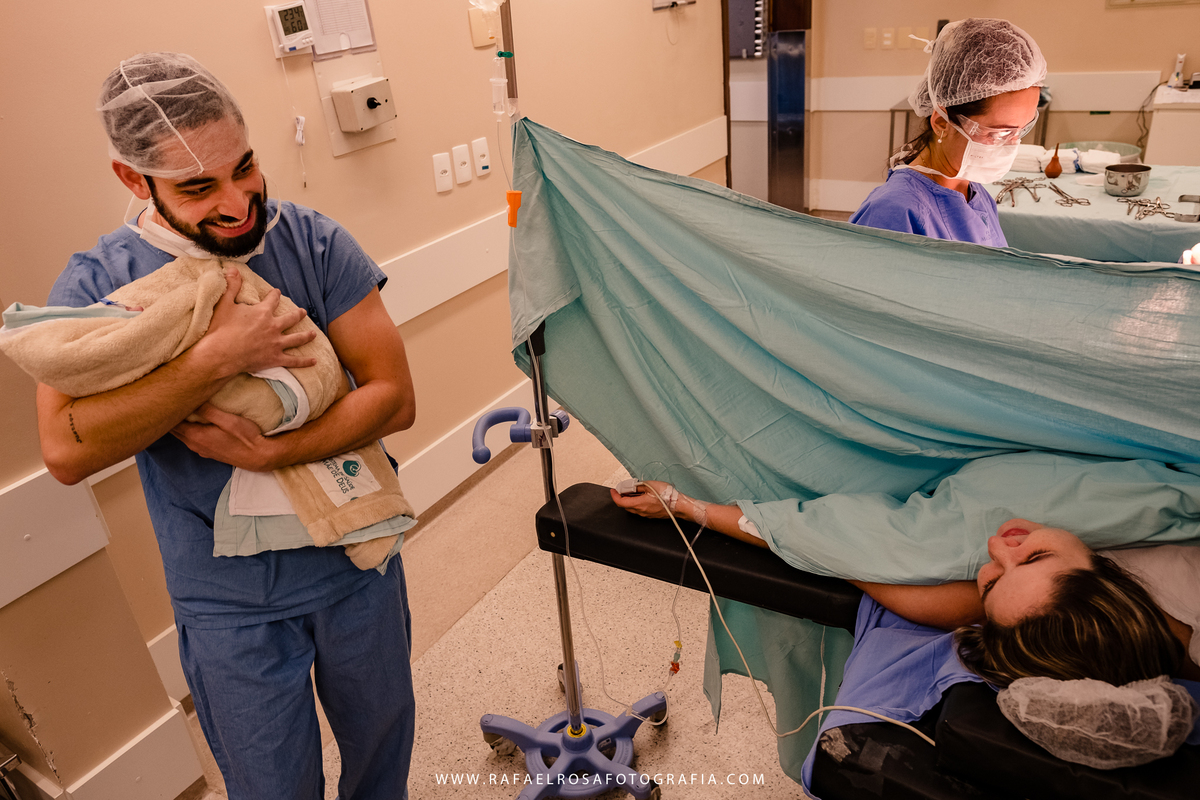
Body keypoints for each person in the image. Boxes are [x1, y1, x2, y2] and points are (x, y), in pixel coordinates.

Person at [36, 53, 416, 800]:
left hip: (356, 560)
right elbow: (64, 450)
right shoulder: (99, 286)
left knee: (381, 765)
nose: (239, 203)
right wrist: (213, 361)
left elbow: (395, 398)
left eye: (245, 168)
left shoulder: (310, 242)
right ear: (133, 180)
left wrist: (278, 450)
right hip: (230, 604)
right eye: (198, 187)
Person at [611, 482, 1200, 687]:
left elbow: (856, 556)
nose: (997, 548)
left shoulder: (1045, 618)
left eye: (990, 583)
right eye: (1034, 555)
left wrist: (686, 506)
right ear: (1110, 576)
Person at [850, 18, 1046, 246]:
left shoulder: (974, 193)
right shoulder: (893, 213)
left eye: (1022, 129)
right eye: (998, 134)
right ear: (942, 123)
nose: (1012, 145)